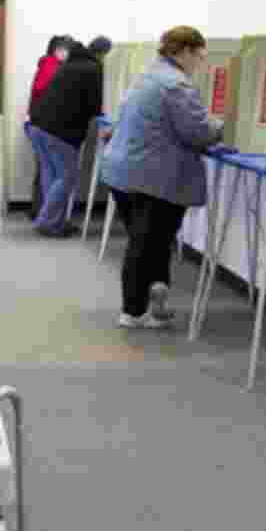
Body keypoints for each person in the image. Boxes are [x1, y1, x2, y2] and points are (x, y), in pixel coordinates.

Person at [100, 26, 223, 329]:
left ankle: (155, 305)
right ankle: (134, 311)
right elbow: (198, 132)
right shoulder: (176, 85)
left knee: (147, 243)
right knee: (147, 246)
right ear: (183, 51)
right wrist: (220, 124)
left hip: (124, 172)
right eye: (199, 55)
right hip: (153, 177)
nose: (200, 63)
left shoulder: (146, 76)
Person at [29, 35, 113, 237]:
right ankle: (47, 221)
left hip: (38, 124)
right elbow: (94, 104)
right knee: (67, 177)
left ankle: (55, 221)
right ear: (103, 54)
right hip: (60, 130)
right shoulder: (93, 68)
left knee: (54, 176)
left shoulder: (71, 63)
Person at [26, 35, 73, 219]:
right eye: (65, 49)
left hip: (38, 124)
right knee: (53, 173)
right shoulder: (51, 66)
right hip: (46, 126)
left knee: (46, 171)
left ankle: (40, 212)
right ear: (58, 50)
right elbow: (45, 91)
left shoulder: (47, 64)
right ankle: (47, 216)